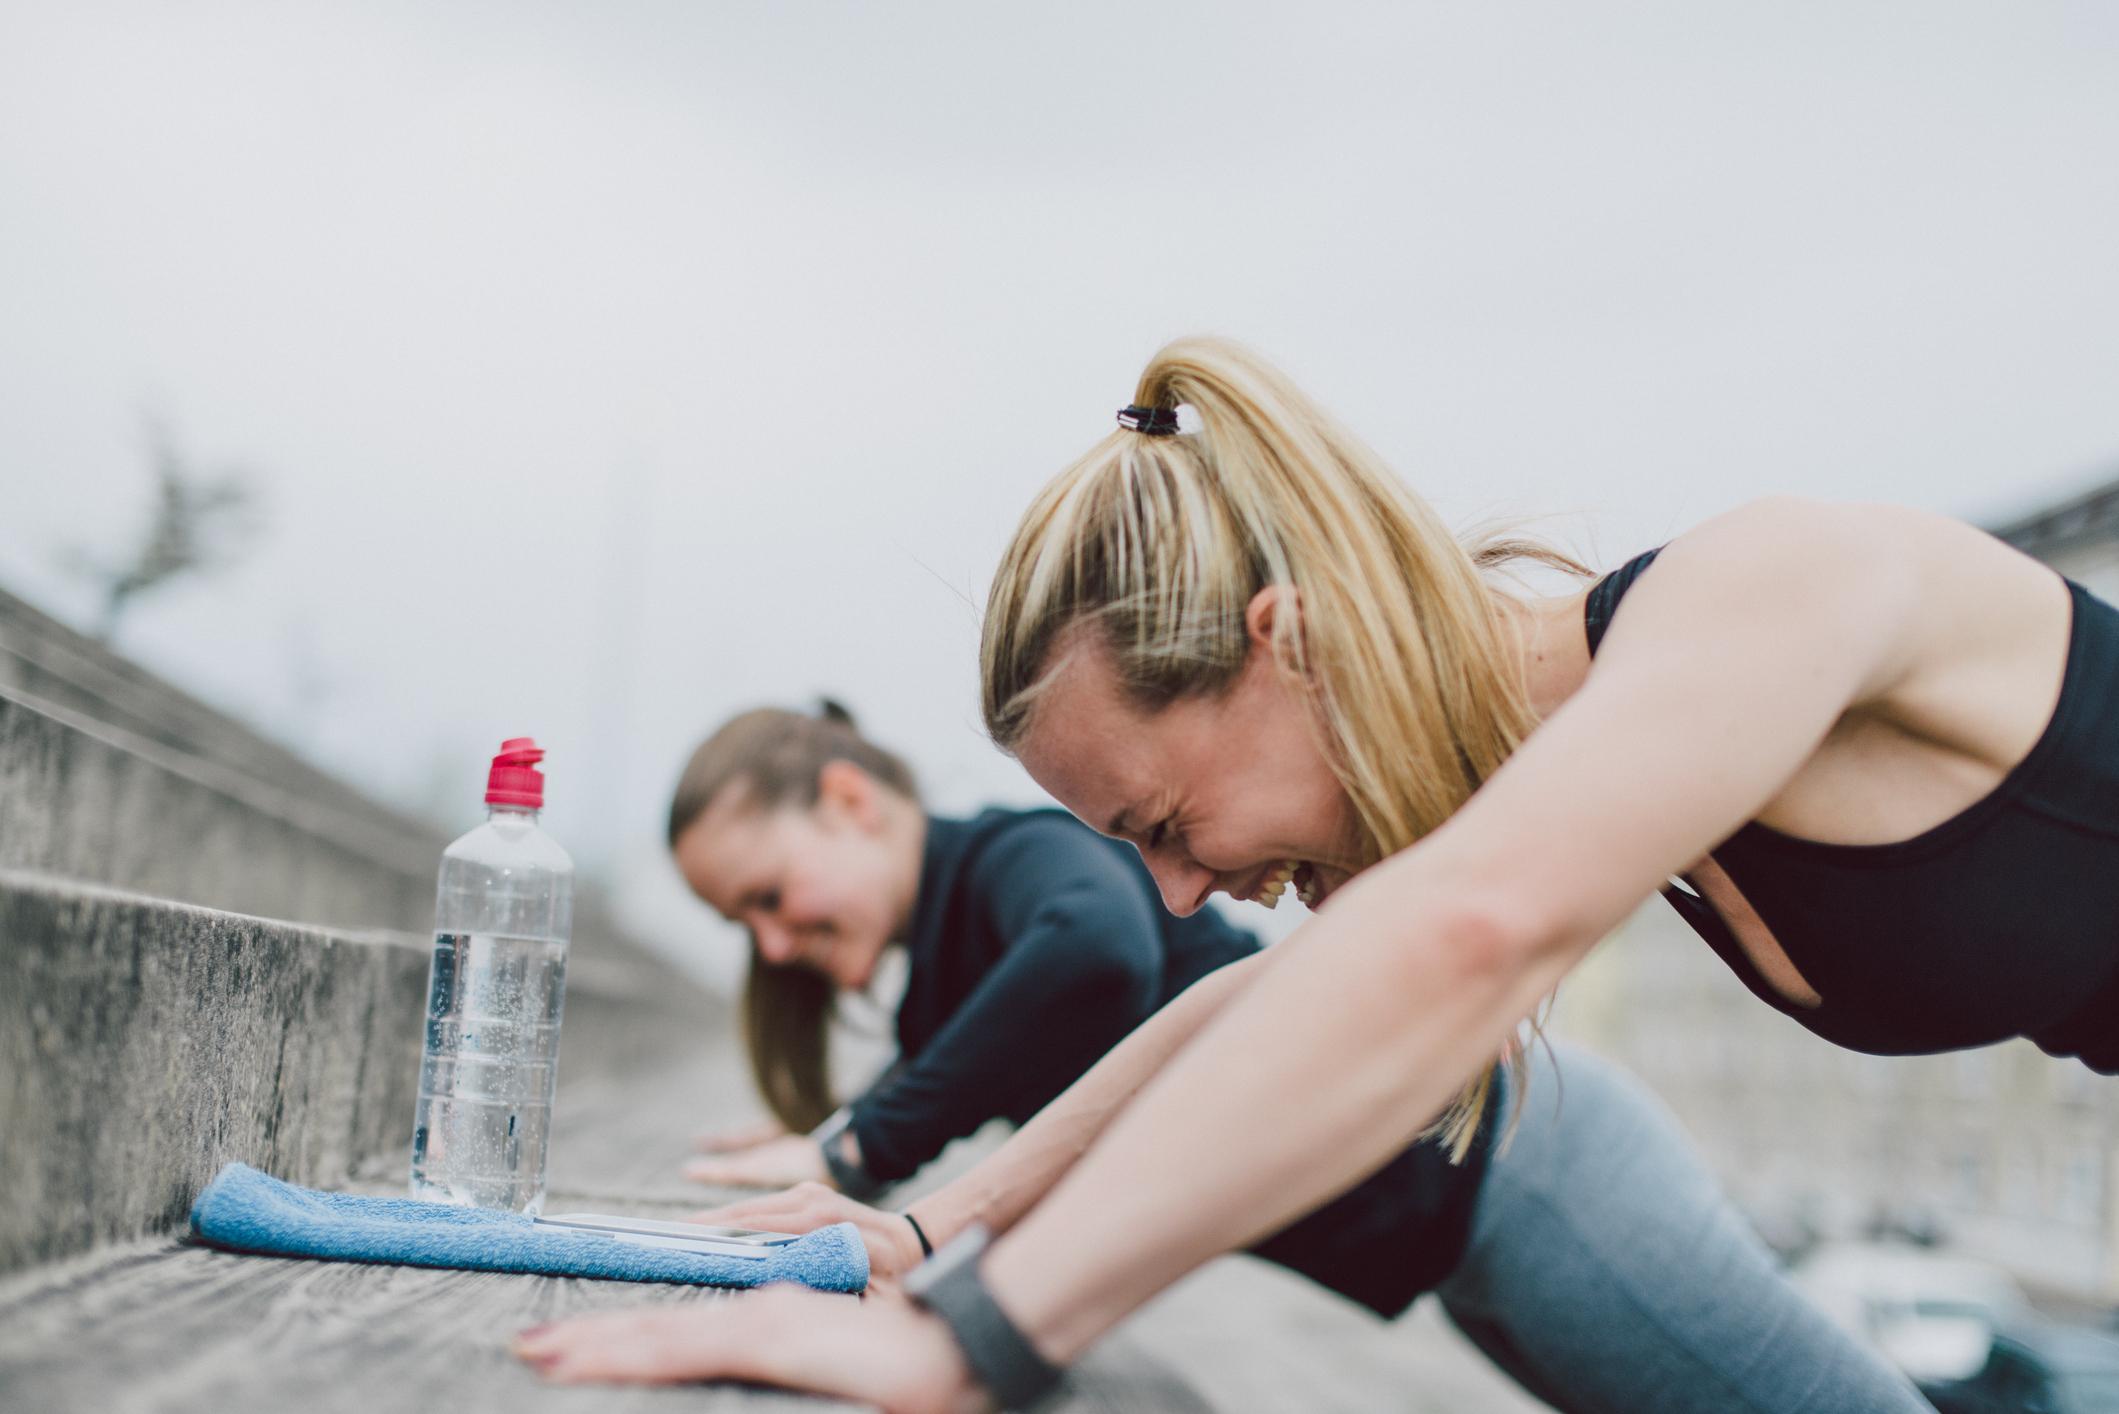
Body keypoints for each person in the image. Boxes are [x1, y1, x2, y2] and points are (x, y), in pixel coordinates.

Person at [517, 334, 2115, 1408]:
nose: (1176, 894)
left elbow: (1464, 936)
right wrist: (934, 1236)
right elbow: (1263, 1010)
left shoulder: (1773, 587)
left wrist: (971, 1347)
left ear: (1285, 647)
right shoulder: (1580, 758)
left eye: (1158, 823)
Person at [520, 700, 1925, 1411]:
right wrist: (897, 1224)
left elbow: (1102, 957)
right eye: (737, 924)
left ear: (848, 800)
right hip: (1464, 1255)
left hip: (1533, 1179)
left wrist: (861, 1150)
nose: (769, 942)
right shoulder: (948, 974)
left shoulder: (1010, 863)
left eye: (770, 893)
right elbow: (1140, 1093)